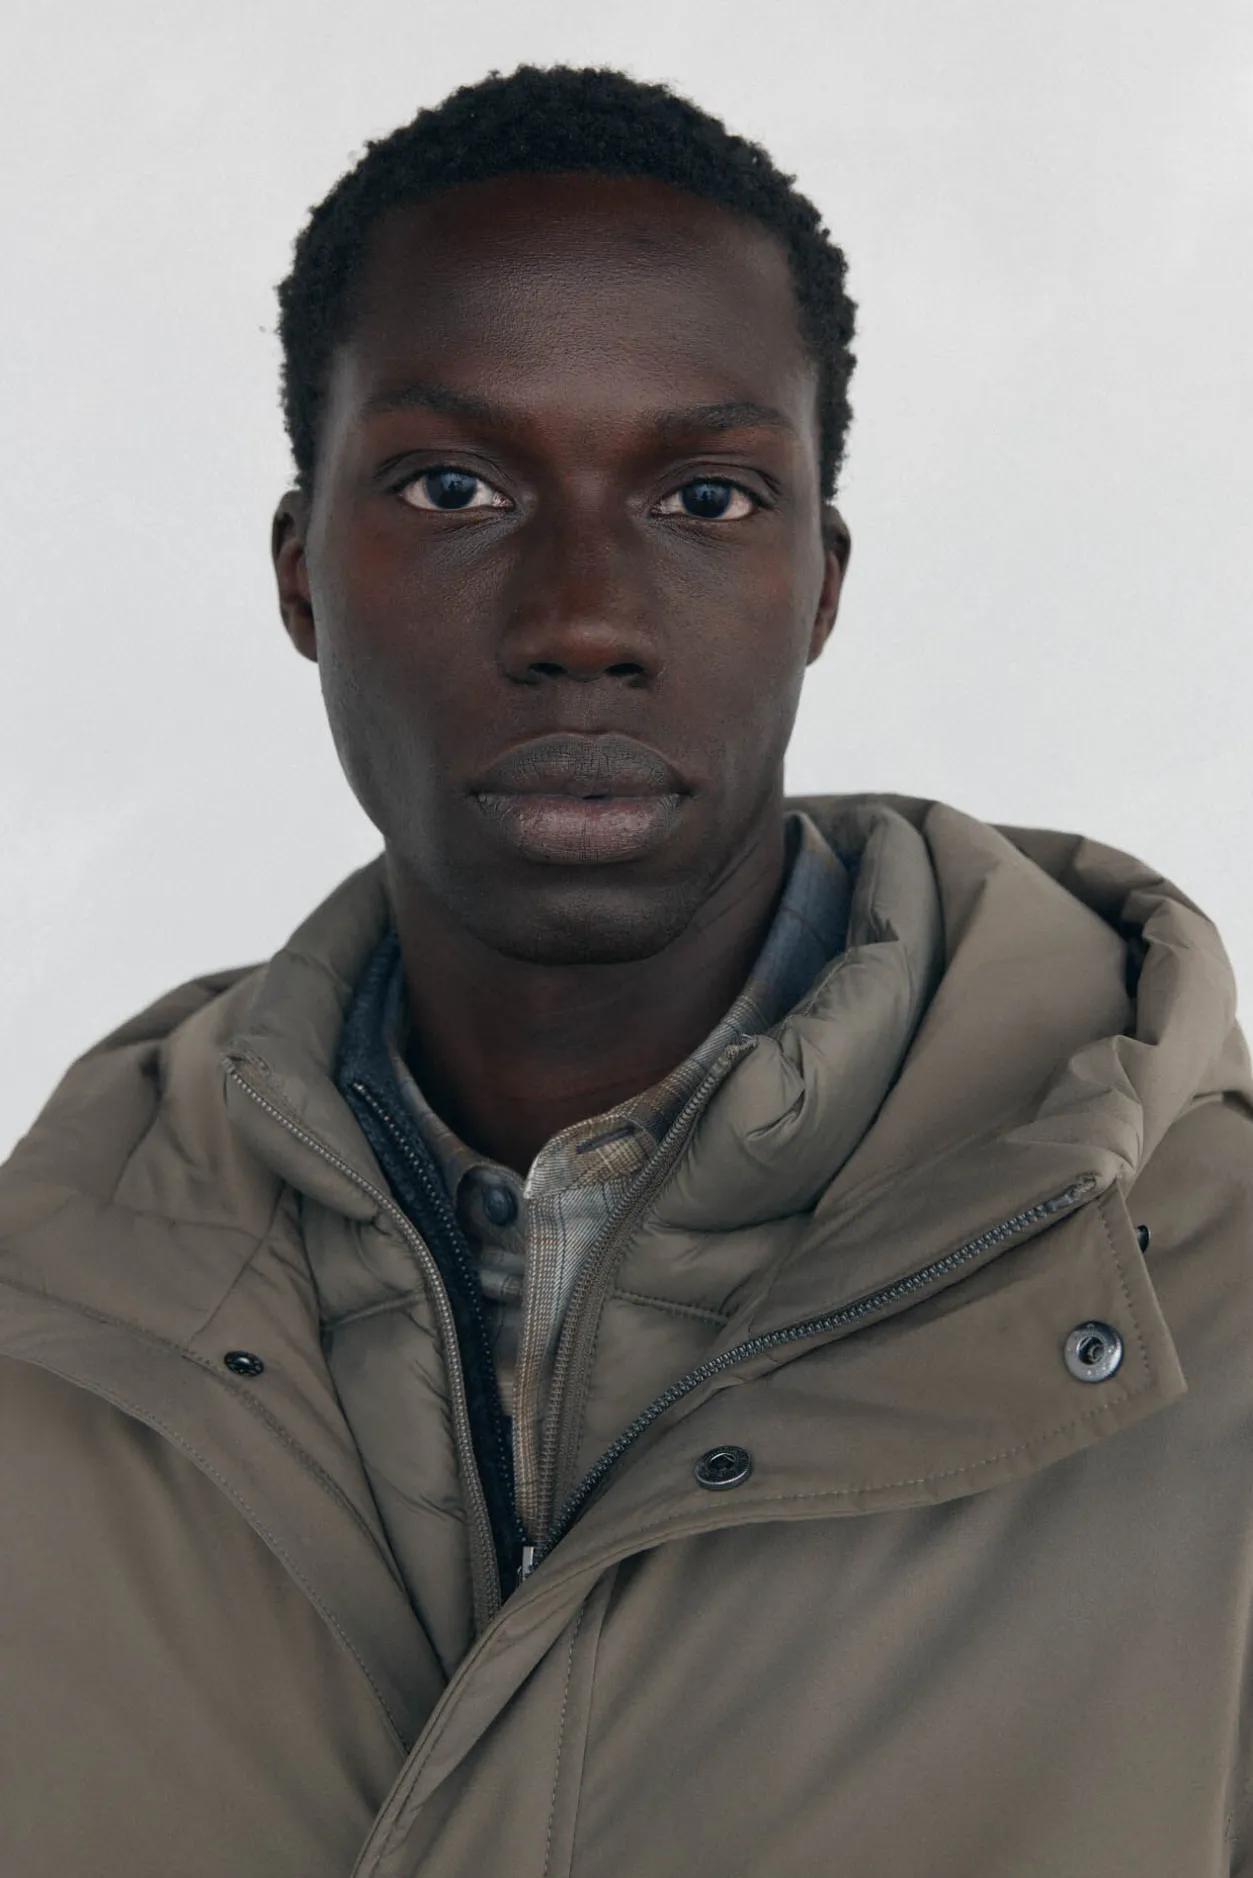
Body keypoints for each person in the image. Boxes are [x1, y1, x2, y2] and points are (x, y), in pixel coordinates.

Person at [1, 62, 1250, 1878]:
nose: (582, 617)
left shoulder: (1216, 1298)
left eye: (707, 498)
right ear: (299, 574)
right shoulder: (45, 1329)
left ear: (822, 582)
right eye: (454, 486)